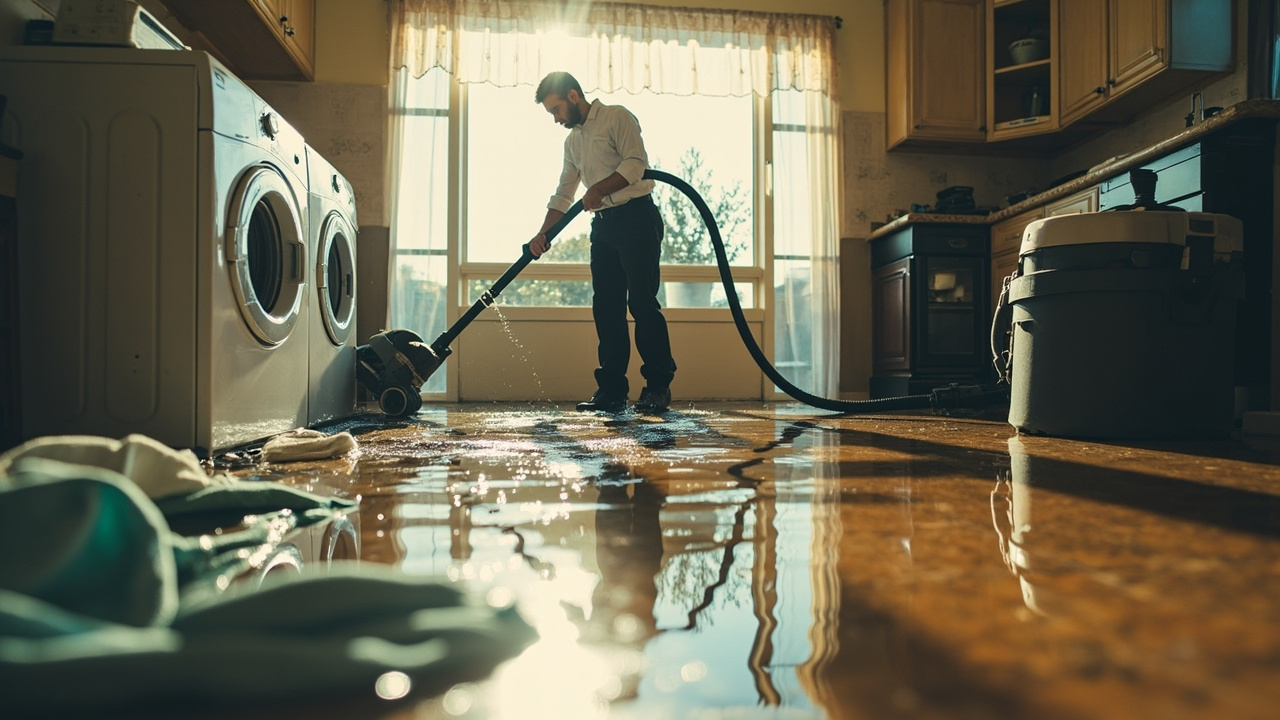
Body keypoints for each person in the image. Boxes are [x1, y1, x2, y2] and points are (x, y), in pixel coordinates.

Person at [528, 71, 676, 414]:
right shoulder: (573, 142)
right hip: (604, 228)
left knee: (641, 303)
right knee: (606, 308)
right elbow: (565, 193)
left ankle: (657, 388)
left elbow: (636, 165)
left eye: (556, 110)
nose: (556, 118)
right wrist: (543, 234)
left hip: (637, 219)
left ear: (573, 96)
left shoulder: (617, 117)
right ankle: (611, 392)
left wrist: (597, 189)